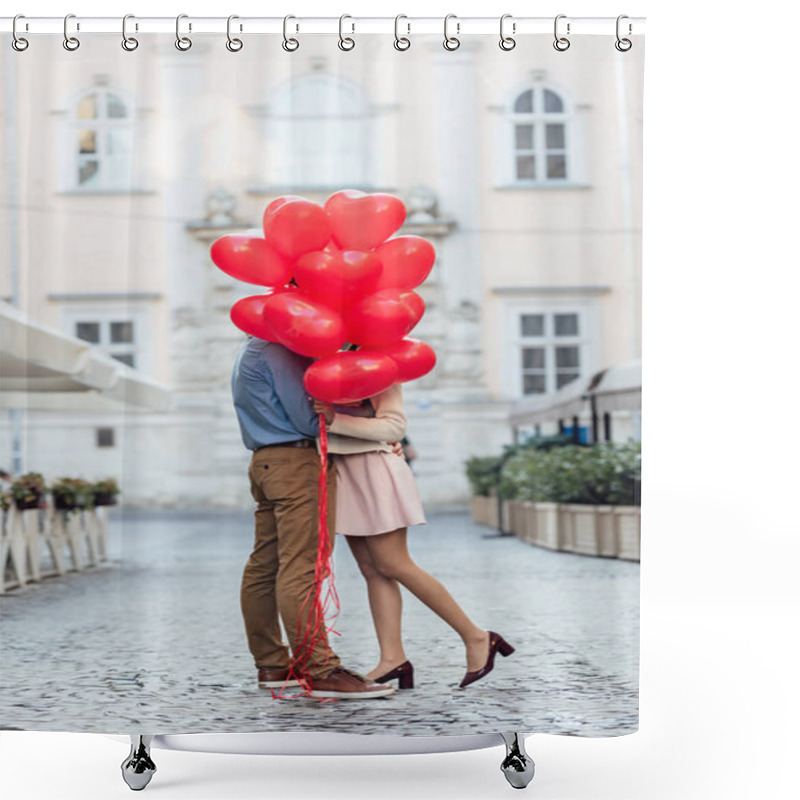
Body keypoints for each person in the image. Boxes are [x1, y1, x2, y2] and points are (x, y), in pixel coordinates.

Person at [314, 383, 514, 690]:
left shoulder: (377, 368)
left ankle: (477, 637)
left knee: (395, 564)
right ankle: (392, 658)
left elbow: (394, 424)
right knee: (372, 570)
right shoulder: (320, 367)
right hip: (342, 470)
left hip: (374, 468)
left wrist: (335, 420)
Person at [231, 335, 393, 700]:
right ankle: (320, 670)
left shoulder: (250, 348)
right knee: (302, 567)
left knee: (265, 565)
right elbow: (307, 420)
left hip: (266, 461)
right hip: (297, 461)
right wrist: (361, 410)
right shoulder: (280, 350)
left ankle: (272, 663)